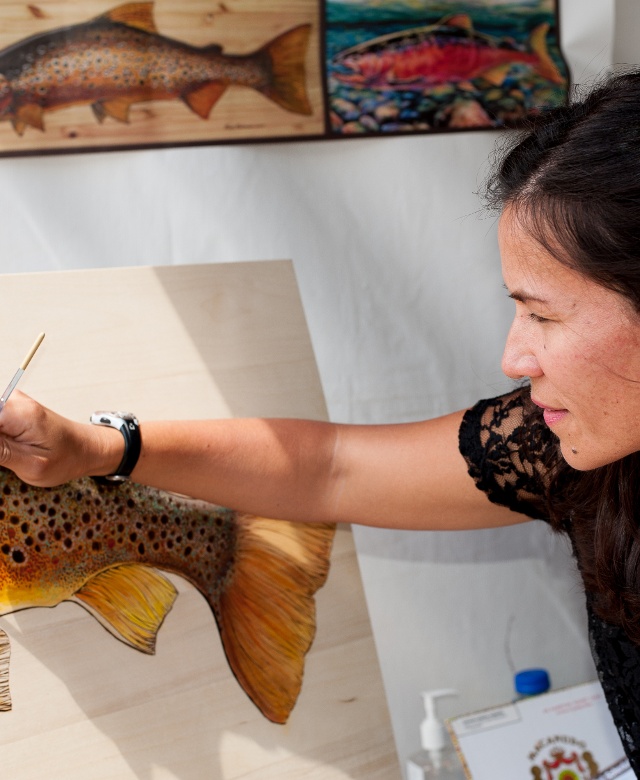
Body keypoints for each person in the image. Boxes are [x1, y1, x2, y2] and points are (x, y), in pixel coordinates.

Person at [1, 69, 640, 771]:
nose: (513, 356)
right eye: (515, 310)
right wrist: (95, 446)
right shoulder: (557, 448)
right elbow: (330, 467)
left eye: (544, 314)